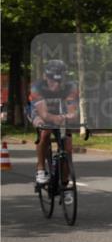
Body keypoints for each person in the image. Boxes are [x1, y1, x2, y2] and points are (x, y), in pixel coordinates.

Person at [30, 59, 79, 203]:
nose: (56, 85)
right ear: (45, 76)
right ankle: (40, 169)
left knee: (67, 148)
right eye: (52, 80)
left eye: (59, 80)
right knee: (45, 132)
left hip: (59, 113)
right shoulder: (37, 87)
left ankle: (64, 184)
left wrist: (70, 116)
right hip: (39, 112)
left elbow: (72, 110)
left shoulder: (70, 86)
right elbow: (44, 114)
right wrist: (58, 118)